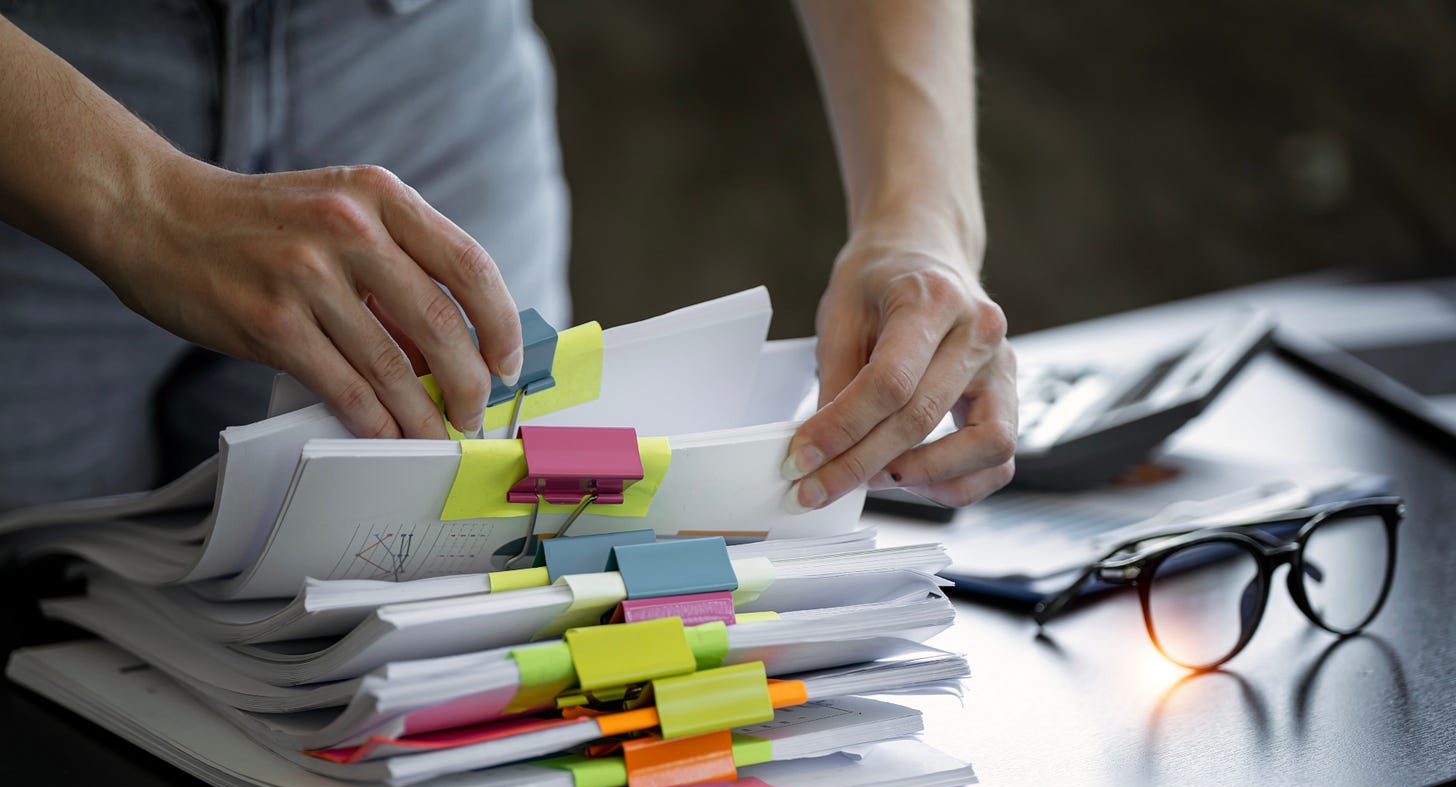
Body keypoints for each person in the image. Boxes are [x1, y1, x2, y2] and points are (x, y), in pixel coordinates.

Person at [0, 0, 1015, 516]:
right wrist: (137, 197)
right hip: (38, 96)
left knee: (467, 628)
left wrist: (917, 216)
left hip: (424, 59)